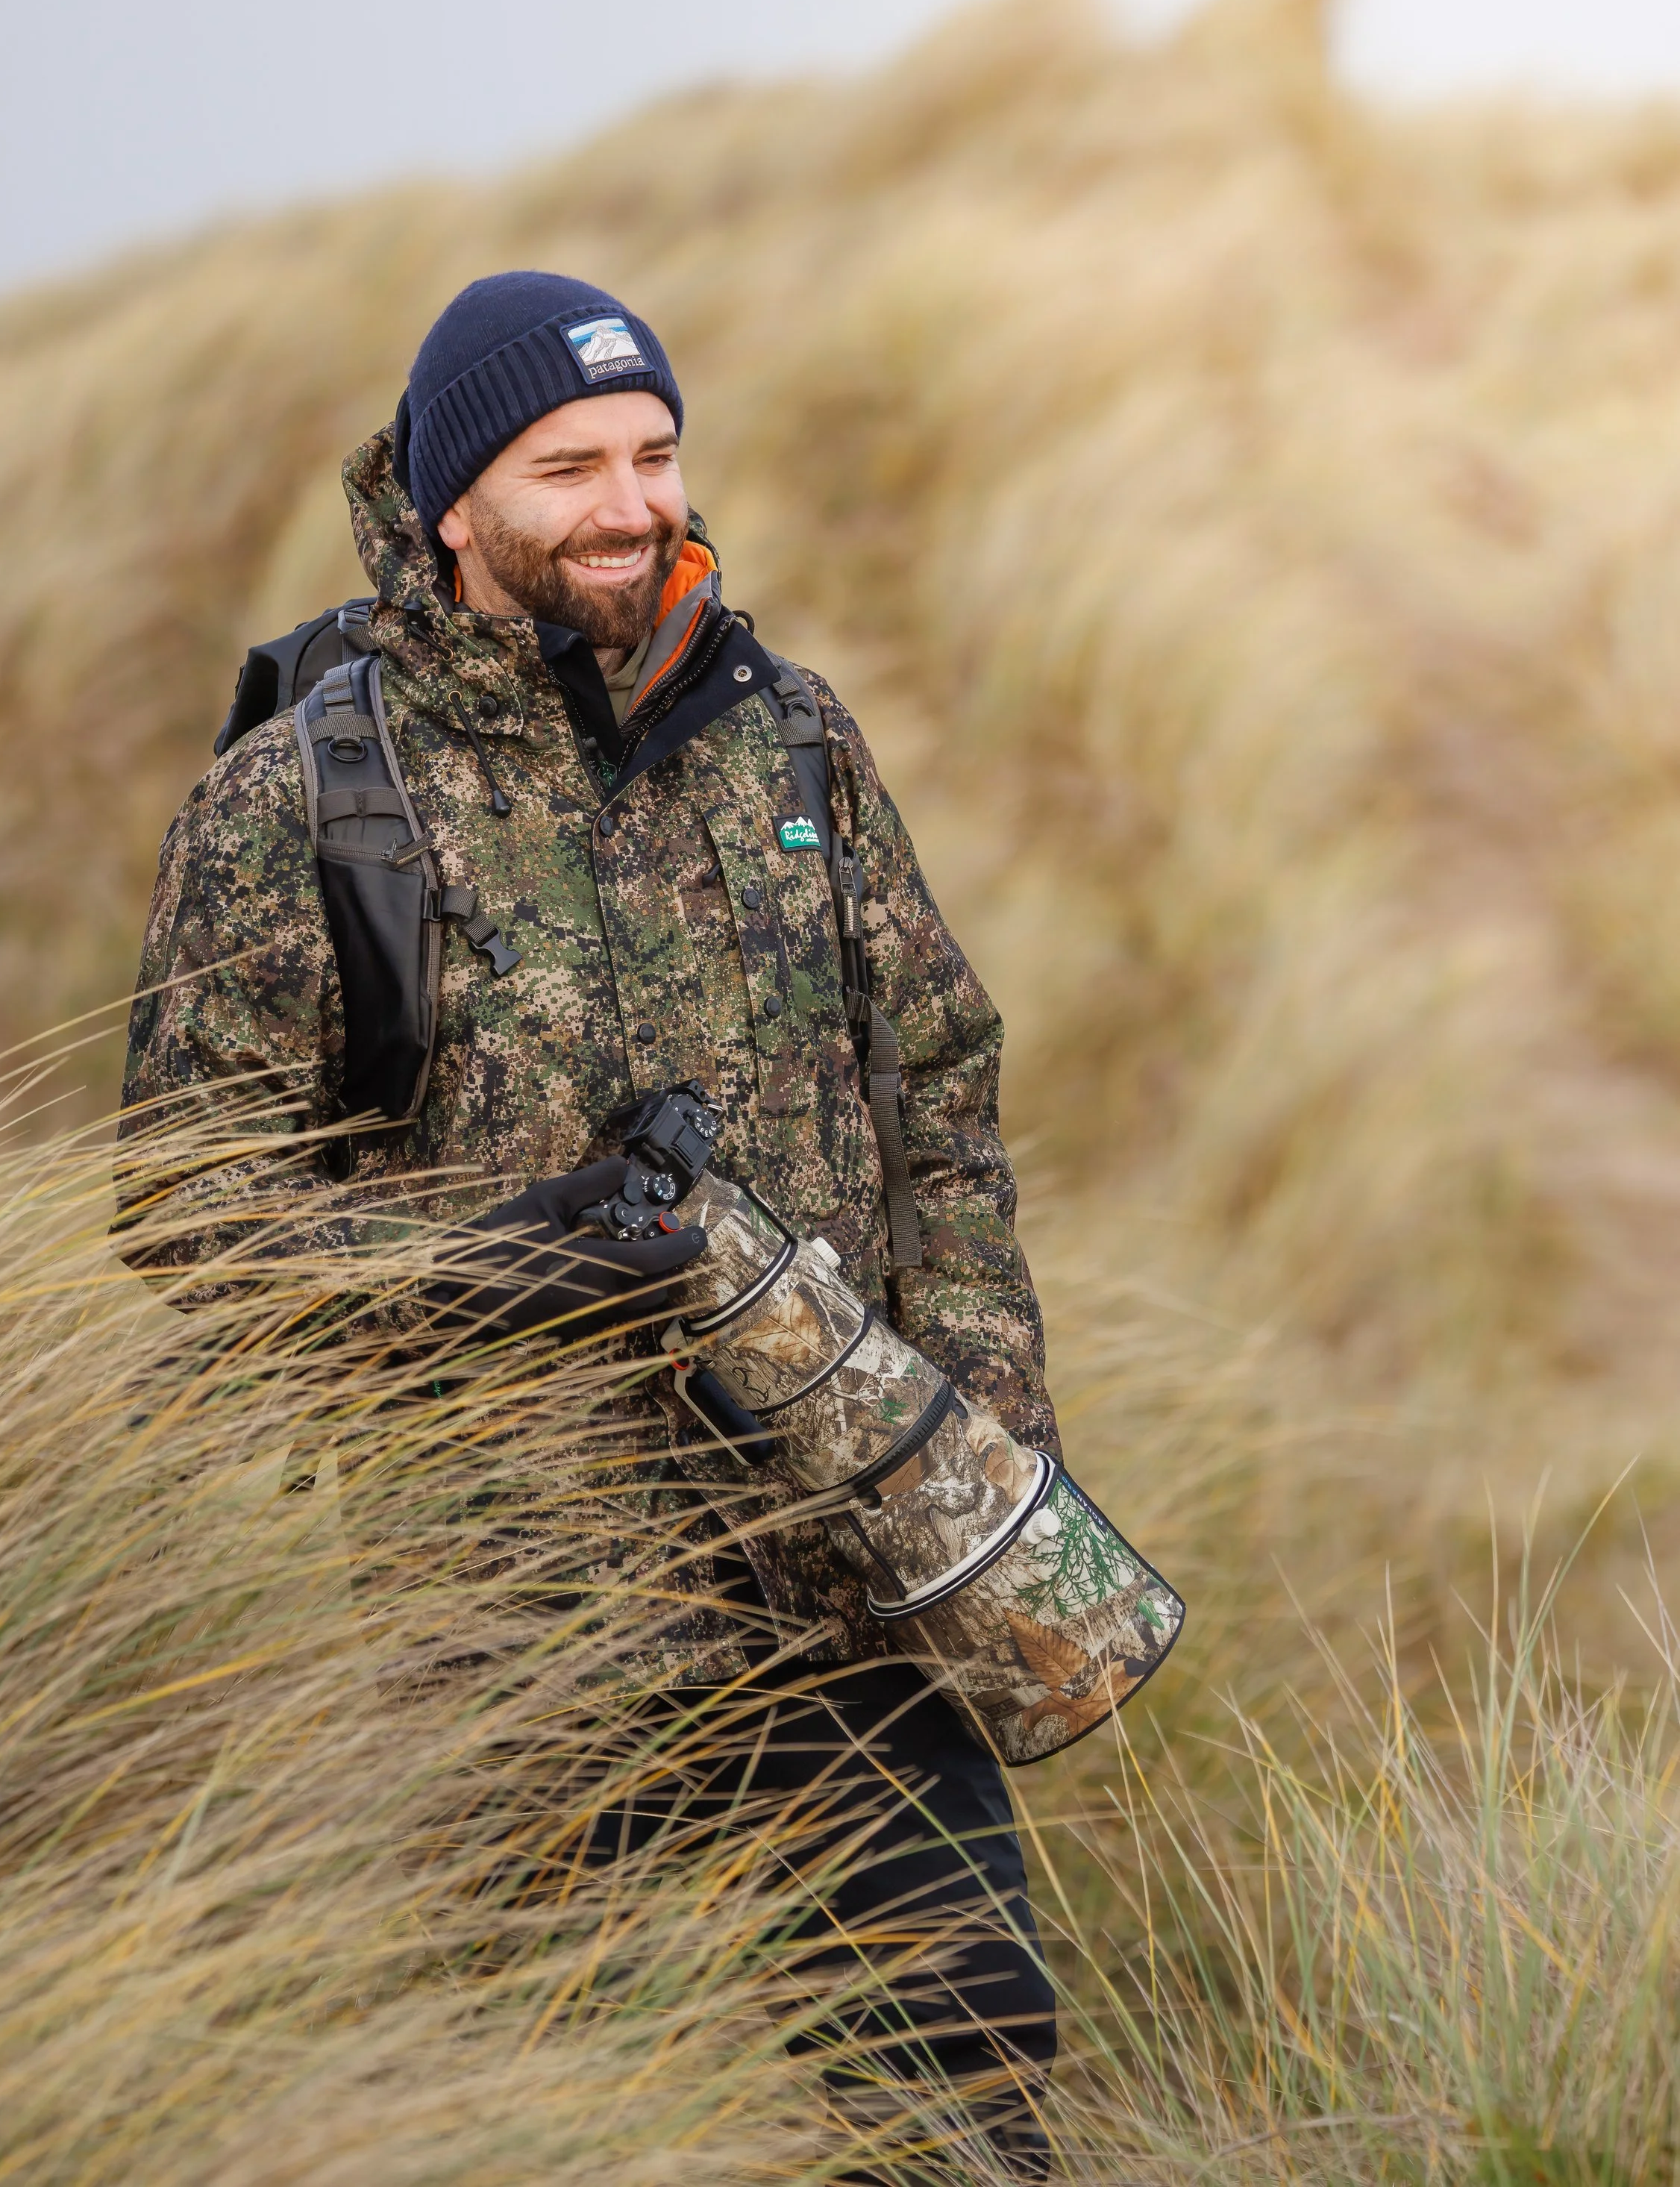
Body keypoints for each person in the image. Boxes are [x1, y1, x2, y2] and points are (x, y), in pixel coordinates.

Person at [119, 270, 1062, 2171]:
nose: (630, 501)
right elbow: (187, 1220)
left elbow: (937, 1095)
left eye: (653, 451)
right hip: (510, 1628)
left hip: (838, 1563)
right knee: (562, 2118)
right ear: (454, 502)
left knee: (967, 2070)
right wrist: (492, 1269)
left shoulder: (789, 740)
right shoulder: (301, 802)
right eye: (567, 467)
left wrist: (980, 1440)